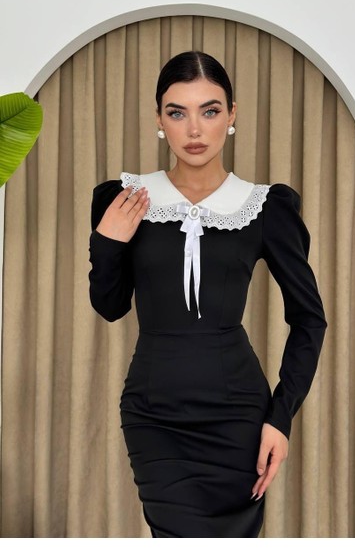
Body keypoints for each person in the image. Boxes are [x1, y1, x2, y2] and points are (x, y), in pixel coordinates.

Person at [88, 51, 327, 538]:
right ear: (159, 120)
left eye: (210, 110)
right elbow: (110, 307)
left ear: (231, 114)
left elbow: (310, 319)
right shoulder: (124, 198)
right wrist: (108, 242)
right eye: (177, 112)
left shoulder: (264, 207)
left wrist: (281, 418)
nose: (194, 129)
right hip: (153, 415)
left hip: (238, 417)